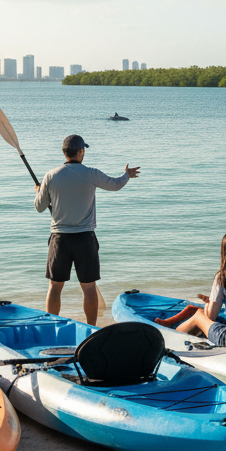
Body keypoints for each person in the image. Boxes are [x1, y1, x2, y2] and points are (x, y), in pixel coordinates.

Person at [34, 133, 141, 325]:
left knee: (55, 286)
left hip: (60, 239)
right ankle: (91, 328)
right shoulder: (91, 173)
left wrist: (39, 191)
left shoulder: (50, 176)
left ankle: (52, 325)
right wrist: (127, 175)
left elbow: (39, 207)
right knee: (89, 287)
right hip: (85, 239)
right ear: (81, 152)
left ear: (64, 152)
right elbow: (115, 185)